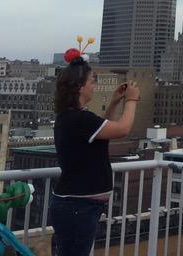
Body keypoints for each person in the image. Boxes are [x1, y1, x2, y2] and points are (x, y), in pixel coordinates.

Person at [51, 47, 140, 256]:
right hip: (77, 207)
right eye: (92, 81)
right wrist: (133, 99)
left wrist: (115, 102)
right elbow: (122, 129)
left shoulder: (73, 117)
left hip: (76, 205)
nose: (94, 86)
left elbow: (103, 130)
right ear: (80, 87)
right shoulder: (79, 119)